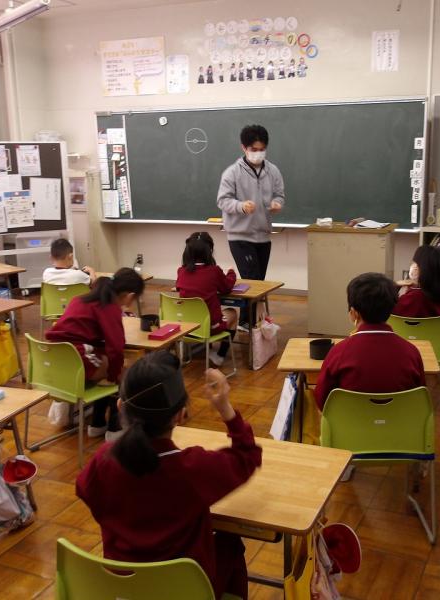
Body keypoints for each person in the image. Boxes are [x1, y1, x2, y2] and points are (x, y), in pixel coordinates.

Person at [76, 353, 261, 600]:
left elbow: (85, 489)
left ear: (120, 407)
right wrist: (225, 408)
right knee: (230, 543)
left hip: (125, 590)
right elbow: (247, 456)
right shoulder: (193, 468)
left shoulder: (104, 461)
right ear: (180, 415)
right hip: (186, 592)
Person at [45, 268, 144, 441]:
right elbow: (116, 347)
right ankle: (114, 427)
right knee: (124, 372)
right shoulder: (109, 307)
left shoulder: (80, 299)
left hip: (51, 361)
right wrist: (114, 376)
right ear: (129, 296)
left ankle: (97, 423)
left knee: (108, 363)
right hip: (75, 360)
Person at [314, 272, 426, 410]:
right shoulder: (411, 352)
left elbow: (321, 400)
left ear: (353, 313)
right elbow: (420, 398)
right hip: (400, 422)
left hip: (350, 422)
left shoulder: (339, 352)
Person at [217, 124, 285, 329]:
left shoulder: (273, 171)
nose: (258, 153)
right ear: (244, 148)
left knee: (257, 283)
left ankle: (248, 322)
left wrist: (277, 203)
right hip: (240, 236)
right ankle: (248, 323)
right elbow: (222, 201)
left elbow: (280, 195)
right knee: (251, 278)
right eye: (253, 149)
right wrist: (240, 206)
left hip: (263, 235)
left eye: (262, 149)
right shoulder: (232, 173)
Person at [176, 232, 238, 366]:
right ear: (209, 251)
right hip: (209, 327)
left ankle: (201, 349)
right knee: (232, 313)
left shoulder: (181, 271)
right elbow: (226, 288)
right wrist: (231, 273)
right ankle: (220, 356)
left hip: (187, 326)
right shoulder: (214, 271)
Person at [392, 245, 440, 318]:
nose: (412, 266)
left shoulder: (414, 297)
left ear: (423, 268)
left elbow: (389, 311)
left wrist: (394, 287)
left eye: (414, 262)